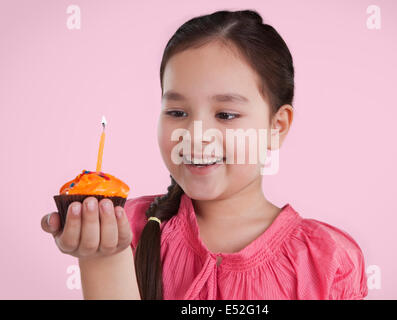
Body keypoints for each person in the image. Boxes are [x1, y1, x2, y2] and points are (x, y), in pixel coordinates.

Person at [41, 9, 368, 300]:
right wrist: (104, 258)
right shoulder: (126, 230)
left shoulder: (327, 261)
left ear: (276, 126)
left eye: (225, 115)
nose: (195, 136)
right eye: (177, 112)